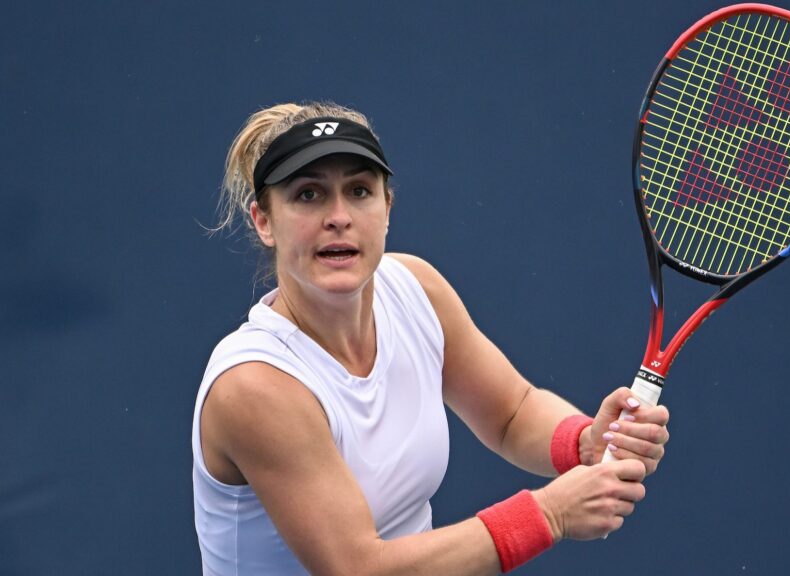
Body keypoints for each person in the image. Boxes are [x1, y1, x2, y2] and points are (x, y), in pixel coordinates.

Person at [191, 101, 670, 575]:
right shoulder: (254, 386)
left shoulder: (415, 289)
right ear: (263, 220)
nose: (339, 216)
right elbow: (359, 570)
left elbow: (511, 412)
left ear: (387, 209)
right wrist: (549, 513)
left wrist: (582, 442)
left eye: (359, 191)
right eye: (308, 195)